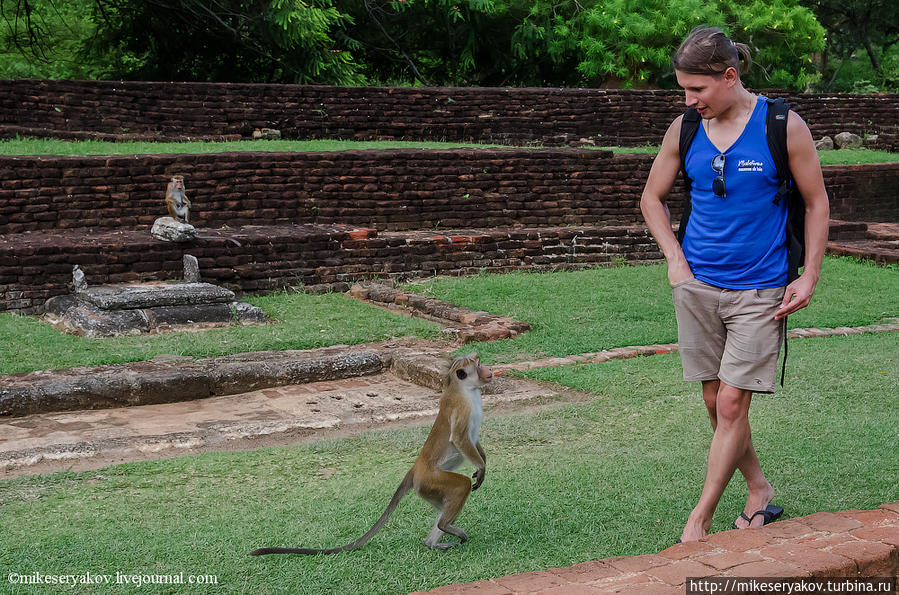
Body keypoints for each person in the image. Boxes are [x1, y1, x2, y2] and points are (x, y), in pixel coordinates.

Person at [640, 26, 829, 543]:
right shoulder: (684, 128)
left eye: (697, 89)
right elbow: (651, 198)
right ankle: (759, 489)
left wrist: (808, 273)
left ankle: (697, 522)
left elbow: (816, 202)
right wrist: (676, 262)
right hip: (698, 285)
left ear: (729, 76)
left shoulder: (782, 125)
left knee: (730, 405)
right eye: (683, 89)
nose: (689, 100)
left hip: (760, 289)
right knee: (712, 401)